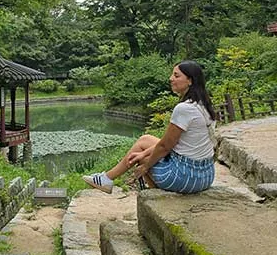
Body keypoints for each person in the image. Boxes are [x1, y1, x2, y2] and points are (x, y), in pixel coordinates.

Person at [83, 60, 216, 194]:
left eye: (176, 76)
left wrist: (145, 165)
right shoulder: (203, 104)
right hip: (206, 175)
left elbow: (165, 147)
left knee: (143, 162)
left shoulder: (184, 109)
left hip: (186, 179)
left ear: (190, 81)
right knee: (145, 141)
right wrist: (144, 152)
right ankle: (106, 178)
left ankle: (158, 198)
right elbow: (170, 143)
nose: (171, 79)